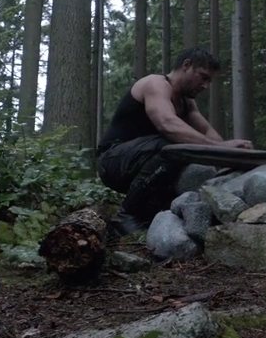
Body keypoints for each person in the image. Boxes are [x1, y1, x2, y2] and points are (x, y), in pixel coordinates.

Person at [96, 48, 253, 237]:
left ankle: (149, 213)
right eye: (203, 77)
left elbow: (207, 133)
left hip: (144, 165)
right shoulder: (156, 84)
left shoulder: (187, 102)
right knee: (174, 147)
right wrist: (220, 147)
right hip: (112, 161)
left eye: (209, 81)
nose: (206, 86)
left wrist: (231, 154)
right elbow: (167, 125)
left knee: (183, 156)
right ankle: (125, 214)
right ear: (186, 65)